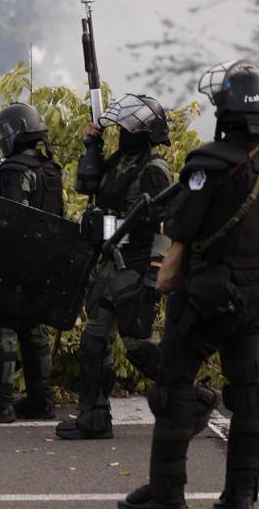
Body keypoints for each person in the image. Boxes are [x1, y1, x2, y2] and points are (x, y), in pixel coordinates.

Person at [120, 60, 259, 509]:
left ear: (227, 112)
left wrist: (153, 290)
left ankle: (166, 496)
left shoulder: (208, 165)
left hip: (205, 294)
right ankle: (241, 496)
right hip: (254, 297)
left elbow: (179, 245)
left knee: (173, 389)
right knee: (249, 393)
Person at [57, 94, 173, 441]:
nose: (124, 132)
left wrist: (154, 273)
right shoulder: (117, 161)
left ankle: (189, 396)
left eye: (130, 127)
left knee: (138, 347)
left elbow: (167, 226)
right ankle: (94, 416)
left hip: (135, 266)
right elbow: (86, 185)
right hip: (109, 265)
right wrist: (91, 146)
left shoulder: (155, 170)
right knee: (93, 343)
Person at [0, 101, 64, 424]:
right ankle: (41, 401)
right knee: (32, 328)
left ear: (19, 133)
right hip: (46, 261)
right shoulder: (51, 169)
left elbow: (11, 219)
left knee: (1, 328)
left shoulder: (14, 170)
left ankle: (1, 403)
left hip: (16, 261)